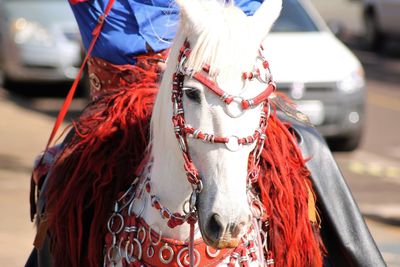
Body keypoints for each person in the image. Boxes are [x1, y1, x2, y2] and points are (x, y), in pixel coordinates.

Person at [25, 0, 385, 267]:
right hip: (119, 106)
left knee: (307, 148)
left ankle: (356, 256)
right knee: (66, 173)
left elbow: (244, 25)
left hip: (211, 96)